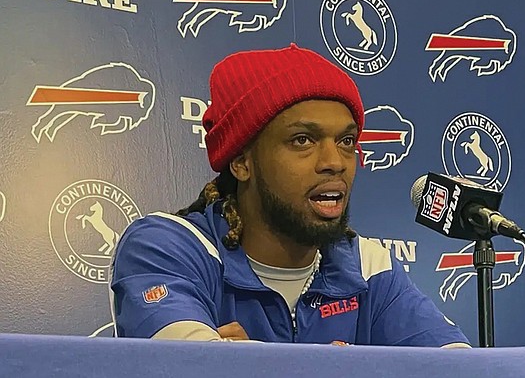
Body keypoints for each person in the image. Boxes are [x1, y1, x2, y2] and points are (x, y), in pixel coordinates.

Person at [109, 43, 470, 347]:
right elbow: (188, 369)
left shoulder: (367, 265)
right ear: (241, 162)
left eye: (346, 141)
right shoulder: (165, 246)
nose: (335, 162)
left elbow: (459, 368)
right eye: (303, 140)